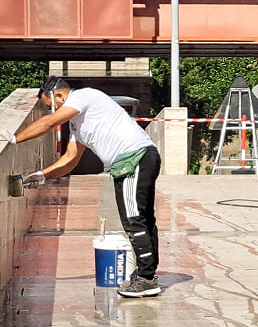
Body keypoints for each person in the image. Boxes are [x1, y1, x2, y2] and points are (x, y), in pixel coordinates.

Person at [0, 76, 161, 297]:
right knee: (143, 218)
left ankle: (146, 279)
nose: (51, 112)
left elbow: (48, 124)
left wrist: (15, 138)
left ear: (59, 95)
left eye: (50, 106)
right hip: (132, 161)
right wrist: (41, 175)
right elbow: (70, 159)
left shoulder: (84, 96)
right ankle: (147, 274)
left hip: (134, 159)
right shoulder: (78, 124)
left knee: (134, 219)